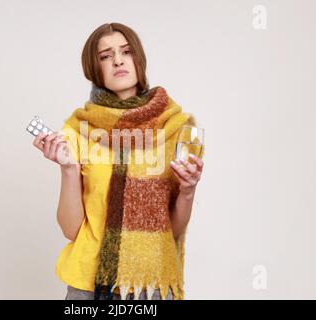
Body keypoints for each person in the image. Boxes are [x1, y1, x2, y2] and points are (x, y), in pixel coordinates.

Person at [32, 22, 204, 300]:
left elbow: (172, 228)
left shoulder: (176, 129)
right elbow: (71, 229)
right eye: (105, 56)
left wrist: (187, 191)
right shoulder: (78, 131)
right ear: (93, 67)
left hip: (151, 287)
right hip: (89, 285)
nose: (118, 60)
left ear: (139, 59)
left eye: (126, 51)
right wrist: (68, 169)